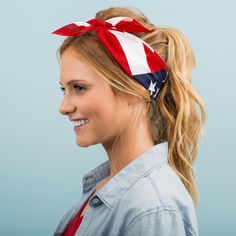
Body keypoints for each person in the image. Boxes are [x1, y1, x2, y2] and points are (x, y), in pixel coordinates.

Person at [52, 6, 206, 236]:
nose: (63, 107)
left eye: (79, 88)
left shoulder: (152, 209)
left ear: (134, 92)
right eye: (64, 89)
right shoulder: (107, 187)